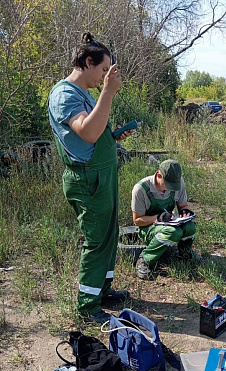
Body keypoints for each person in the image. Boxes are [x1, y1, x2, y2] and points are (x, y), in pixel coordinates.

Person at [48, 32, 133, 323]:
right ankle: (87, 305)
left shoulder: (83, 93)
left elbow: (93, 136)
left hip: (102, 175)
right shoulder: (64, 94)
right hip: (88, 181)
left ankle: (102, 290)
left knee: (110, 236)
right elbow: (86, 131)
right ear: (87, 62)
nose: (104, 76)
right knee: (97, 241)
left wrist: (113, 135)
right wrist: (108, 92)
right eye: (103, 69)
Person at [131, 159, 199, 279]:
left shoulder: (179, 182)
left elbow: (183, 205)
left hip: (169, 223)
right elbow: (137, 221)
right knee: (173, 232)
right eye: (167, 185)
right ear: (158, 176)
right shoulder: (140, 189)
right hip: (147, 227)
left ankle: (184, 254)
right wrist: (157, 218)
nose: (169, 189)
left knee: (190, 227)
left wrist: (184, 212)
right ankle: (145, 260)